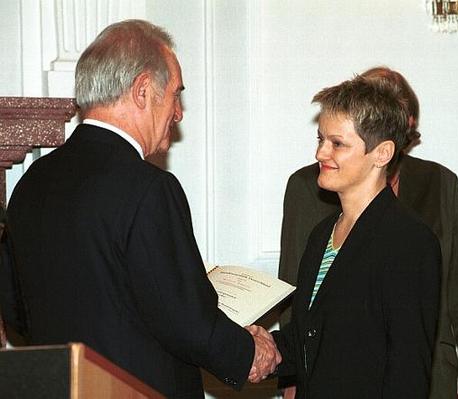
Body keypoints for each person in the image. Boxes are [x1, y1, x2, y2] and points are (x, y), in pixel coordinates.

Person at [0, 19, 281, 398]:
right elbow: (187, 324)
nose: (179, 112)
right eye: (176, 94)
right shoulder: (149, 188)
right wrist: (249, 352)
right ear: (144, 90)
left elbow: (17, 311)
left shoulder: (32, 183)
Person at [278, 67, 458, 399]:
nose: (321, 153)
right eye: (321, 139)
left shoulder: (410, 242)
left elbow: (408, 374)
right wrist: (257, 347)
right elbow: (309, 337)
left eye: (337, 143)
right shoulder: (321, 236)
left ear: (382, 153)